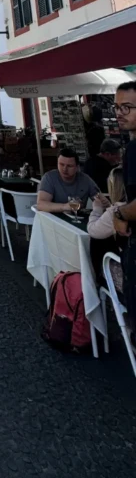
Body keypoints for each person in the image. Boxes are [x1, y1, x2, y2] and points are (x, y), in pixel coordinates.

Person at [111, 82, 136, 331]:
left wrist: (120, 213)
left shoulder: (134, 148)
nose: (119, 113)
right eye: (117, 107)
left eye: (127, 107)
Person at [88, 166, 127, 286]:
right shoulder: (126, 206)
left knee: (97, 243)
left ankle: (97, 282)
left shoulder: (117, 210)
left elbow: (93, 230)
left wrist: (97, 208)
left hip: (127, 273)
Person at [37, 147, 99, 213]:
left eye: (69, 166)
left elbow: (99, 199)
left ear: (77, 167)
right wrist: (65, 207)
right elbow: (41, 204)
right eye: (61, 164)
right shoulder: (49, 178)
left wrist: (102, 203)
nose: (64, 169)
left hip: (78, 219)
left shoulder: (85, 180)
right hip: (53, 219)